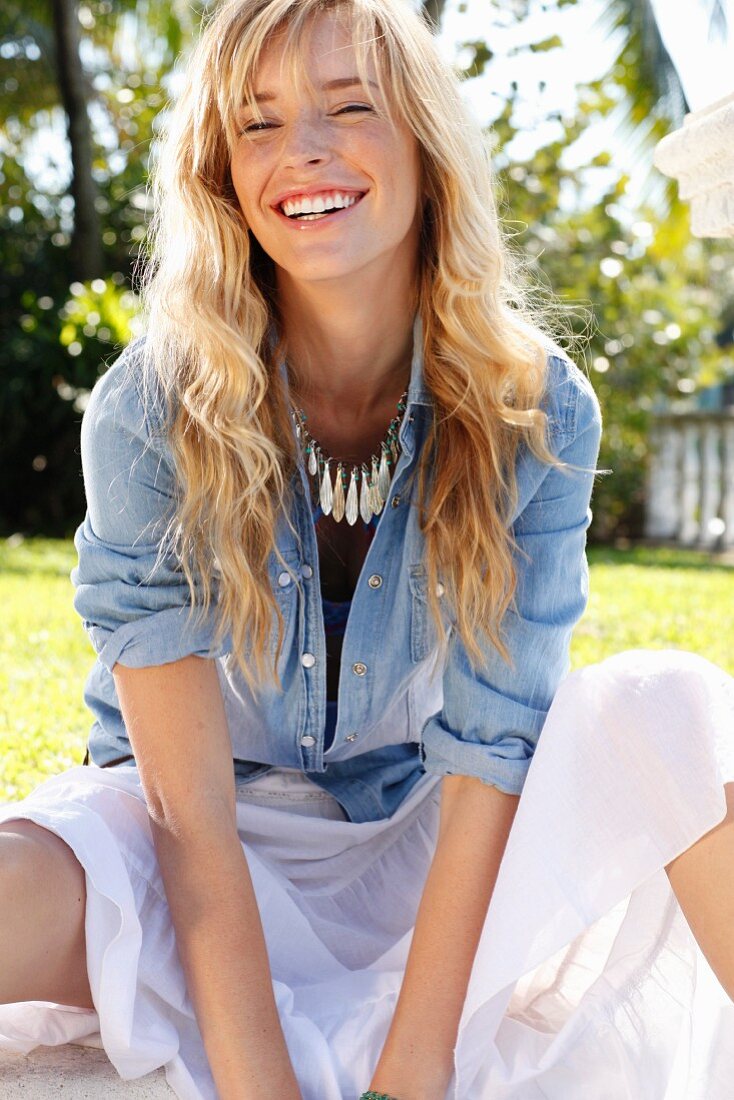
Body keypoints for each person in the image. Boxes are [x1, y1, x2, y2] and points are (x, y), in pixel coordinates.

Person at [1, 0, 734, 1097]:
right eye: (256, 126)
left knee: (669, 703)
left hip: (423, 857)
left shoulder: (530, 404)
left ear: (424, 149)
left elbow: (493, 754)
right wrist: (262, 1087)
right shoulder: (152, 406)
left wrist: (409, 1072)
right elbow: (183, 814)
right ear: (222, 174)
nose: (301, 151)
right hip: (197, 853)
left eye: (349, 106)